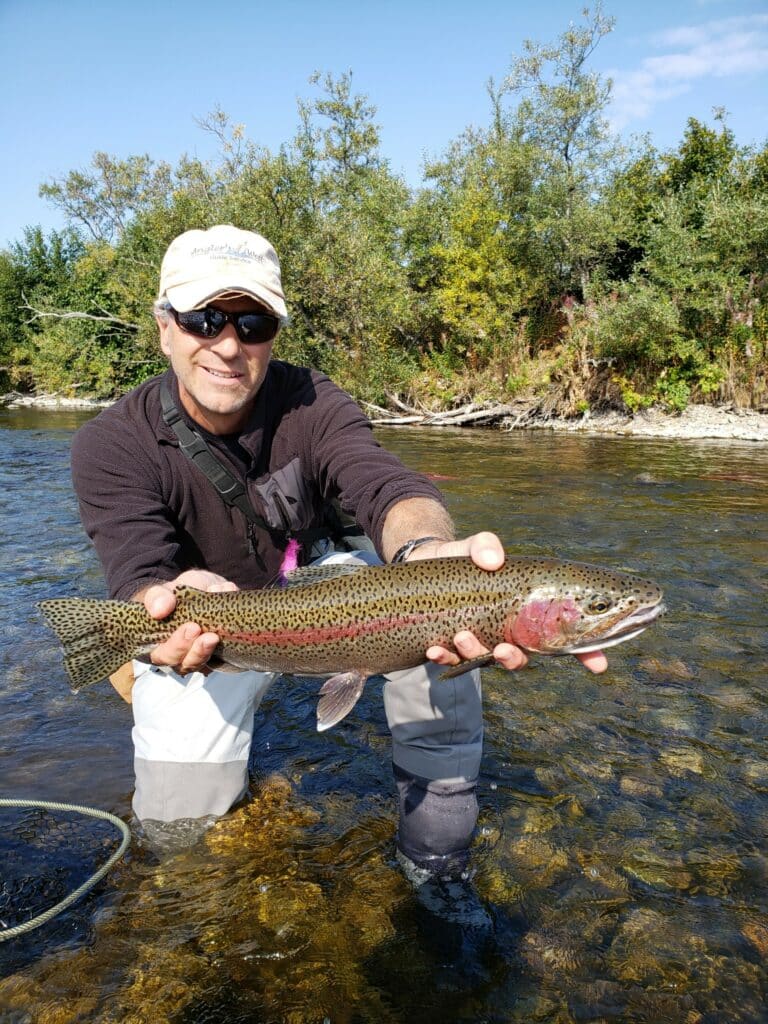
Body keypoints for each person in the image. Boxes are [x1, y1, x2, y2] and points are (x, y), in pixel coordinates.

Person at [70, 224, 607, 877]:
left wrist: (427, 546)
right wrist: (154, 613)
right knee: (179, 827)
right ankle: (193, 919)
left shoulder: (313, 401)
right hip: (206, 629)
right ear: (164, 328)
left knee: (446, 651)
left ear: (274, 332)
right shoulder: (112, 443)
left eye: (253, 323)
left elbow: (384, 483)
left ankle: (437, 864)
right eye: (203, 319)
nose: (228, 344)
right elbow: (137, 568)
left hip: (324, 593)